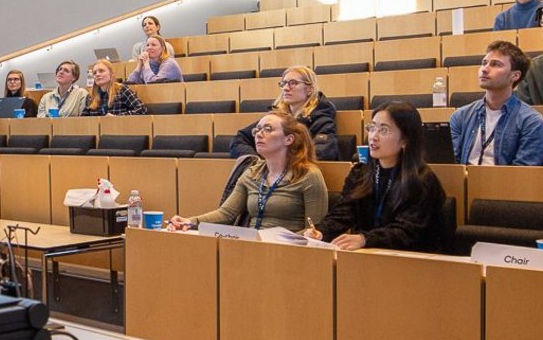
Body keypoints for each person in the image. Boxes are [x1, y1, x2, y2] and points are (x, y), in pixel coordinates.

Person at [306, 102, 450, 252]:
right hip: (369, 255)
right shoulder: (360, 172)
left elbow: (407, 232)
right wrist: (321, 232)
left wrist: (365, 239)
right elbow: (343, 213)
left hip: (413, 260)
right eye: (372, 128)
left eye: (384, 130)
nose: (373, 136)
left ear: (405, 140)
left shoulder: (421, 180)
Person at [171, 112, 328, 232]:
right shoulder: (252, 173)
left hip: (288, 251)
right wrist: (190, 221)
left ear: (288, 139)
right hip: (250, 245)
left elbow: (314, 230)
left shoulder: (309, 175)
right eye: (257, 129)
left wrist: (285, 240)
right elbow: (226, 213)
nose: (259, 134)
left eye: (268, 129)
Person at [449, 41, 543, 166]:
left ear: (515, 75)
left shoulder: (531, 121)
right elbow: (451, 164)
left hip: (504, 184)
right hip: (462, 184)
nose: (484, 69)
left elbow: (522, 174)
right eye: (484, 63)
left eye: (495, 64)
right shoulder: (461, 115)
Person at [233, 65, 341, 160]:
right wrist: (253, 160)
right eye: (284, 83)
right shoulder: (276, 116)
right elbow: (240, 139)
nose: (285, 88)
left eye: (292, 83)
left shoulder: (321, 116)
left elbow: (322, 152)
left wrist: (279, 161)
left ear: (309, 89)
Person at [81, 59, 147, 116]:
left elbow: (142, 109)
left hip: (120, 128)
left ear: (111, 74)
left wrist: (117, 117)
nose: (97, 74)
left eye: (101, 71)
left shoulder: (122, 90)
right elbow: (84, 119)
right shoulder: (91, 96)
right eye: (94, 73)